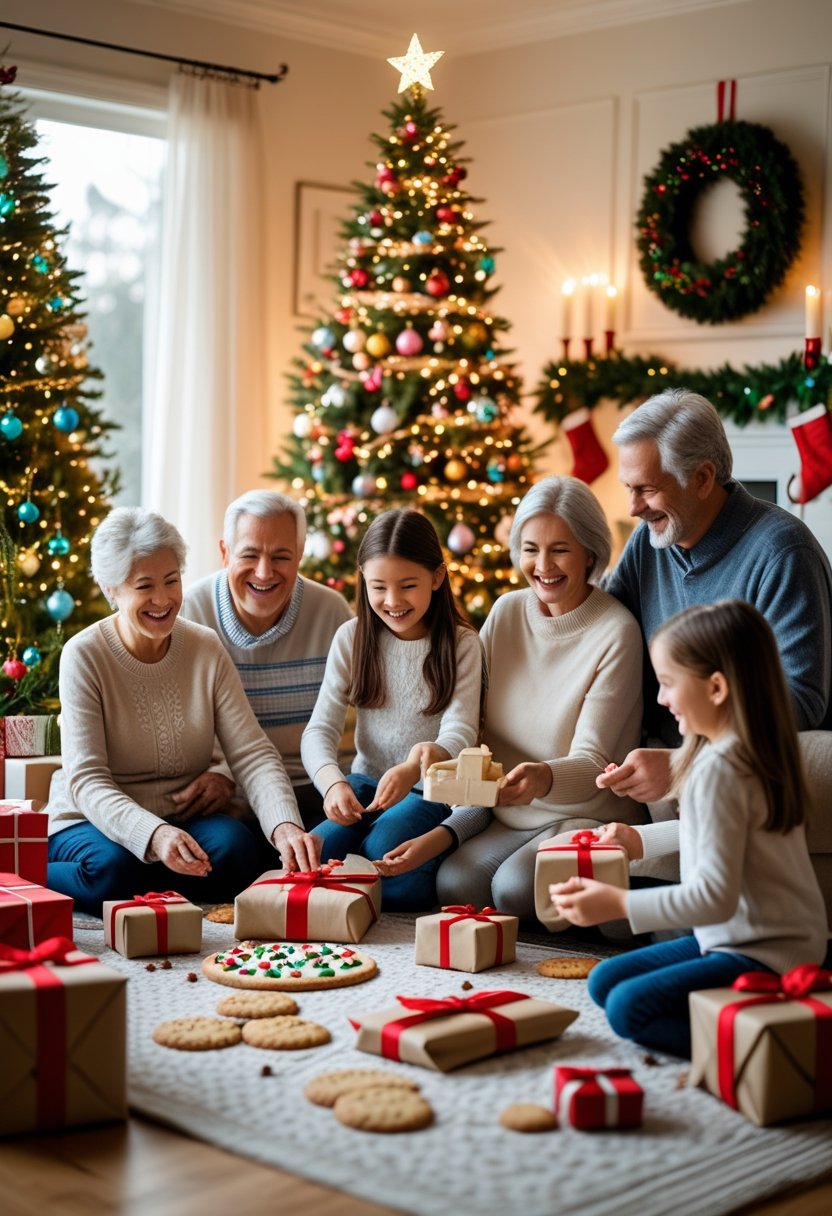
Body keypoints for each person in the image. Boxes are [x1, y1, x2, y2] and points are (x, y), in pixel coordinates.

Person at [551, 600, 827, 1059]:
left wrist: (618, 903)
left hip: (764, 952)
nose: (661, 698)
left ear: (715, 687)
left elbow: (713, 898)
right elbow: (720, 834)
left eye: (667, 683)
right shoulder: (746, 753)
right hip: (748, 937)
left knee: (627, 1009)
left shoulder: (722, 770)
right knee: (603, 980)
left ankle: (768, 1054)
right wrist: (640, 840)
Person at [376, 476, 645, 920]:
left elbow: (595, 763)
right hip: (506, 812)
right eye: (530, 548)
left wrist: (545, 776)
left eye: (560, 549)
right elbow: (472, 730)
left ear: (590, 553)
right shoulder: (506, 612)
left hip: (585, 812)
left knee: (516, 889)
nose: (543, 565)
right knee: (455, 883)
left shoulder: (616, 632)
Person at [47, 507, 321, 915]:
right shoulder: (84, 655)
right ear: (111, 589)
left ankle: (150, 884)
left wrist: (285, 826)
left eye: (171, 581)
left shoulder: (204, 647)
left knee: (240, 852)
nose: (163, 600)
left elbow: (251, 753)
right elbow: (87, 780)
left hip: (182, 817)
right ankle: (28, 873)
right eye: (144, 586)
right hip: (91, 820)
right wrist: (154, 835)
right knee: (113, 870)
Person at [600, 388, 832, 806]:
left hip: (751, 776)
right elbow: (606, 626)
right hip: (659, 755)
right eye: (628, 488)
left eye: (646, 489)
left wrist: (686, 762)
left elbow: (800, 701)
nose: (633, 508)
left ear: (703, 478)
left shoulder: (783, 552)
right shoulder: (650, 541)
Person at [301, 508, 483, 910]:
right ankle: (366, 880)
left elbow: (460, 732)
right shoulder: (351, 638)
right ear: (363, 579)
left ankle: (374, 880)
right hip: (367, 784)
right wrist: (332, 784)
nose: (393, 601)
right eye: (379, 586)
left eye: (408, 586)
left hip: (431, 790)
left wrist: (415, 766)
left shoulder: (462, 644)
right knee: (320, 848)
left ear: (437, 577)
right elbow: (318, 731)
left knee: (383, 845)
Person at [181, 489, 353, 829]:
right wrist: (223, 771)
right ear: (224, 552)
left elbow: (367, 711)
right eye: (249, 555)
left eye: (281, 556)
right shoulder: (189, 613)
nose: (264, 572)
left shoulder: (332, 612)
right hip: (230, 794)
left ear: (300, 554)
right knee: (229, 849)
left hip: (318, 788)